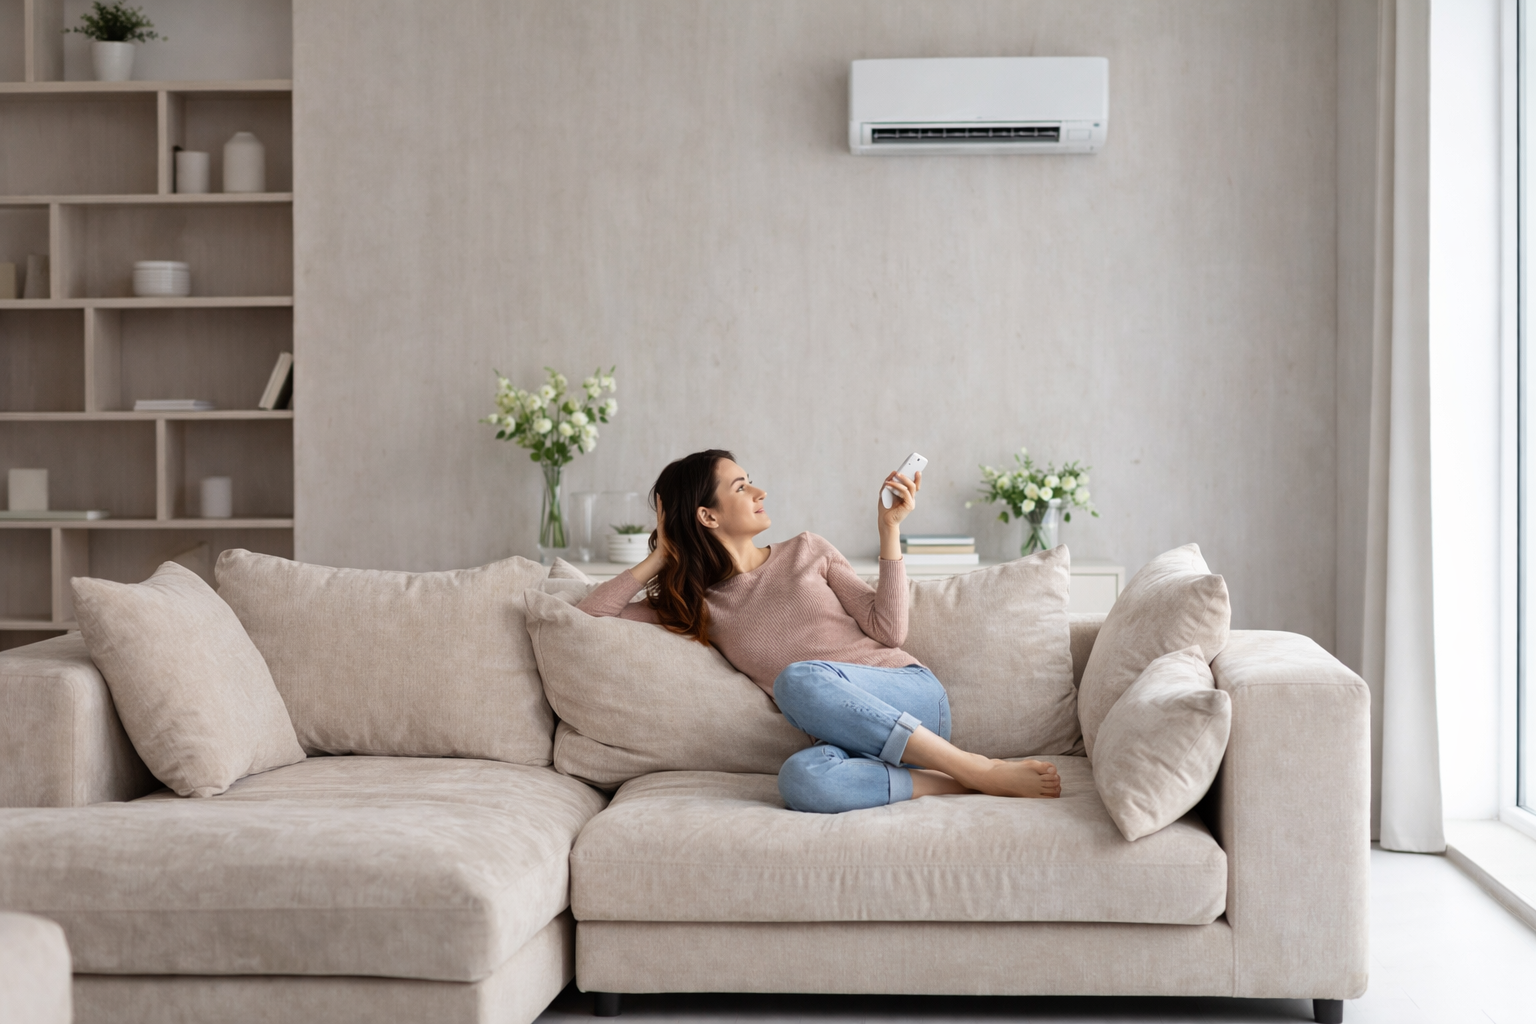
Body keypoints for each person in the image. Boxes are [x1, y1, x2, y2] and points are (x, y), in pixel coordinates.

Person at [575, 449, 1062, 812]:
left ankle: (977, 767)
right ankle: (958, 782)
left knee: (797, 679)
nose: (760, 493)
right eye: (741, 487)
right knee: (800, 780)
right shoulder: (697, 605)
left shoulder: (808, 550)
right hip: (852, 740)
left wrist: (888, 530)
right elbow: (591, 615)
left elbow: (889, 629)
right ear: (708, 515)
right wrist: (662, 554)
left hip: (910, 697)